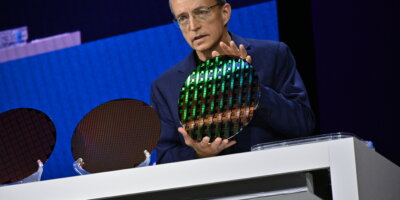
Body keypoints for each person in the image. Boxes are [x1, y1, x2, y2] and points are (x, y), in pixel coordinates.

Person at [151, 0, 315, 164]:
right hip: (213, 185)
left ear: (225, 13)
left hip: (276, 177)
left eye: (201, 12)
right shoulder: (165, 87)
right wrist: (200, 154)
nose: (193, 26)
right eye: (183, 18)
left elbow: (303, 126)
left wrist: (252, 87)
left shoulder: (274, 55)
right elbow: (166, 157)